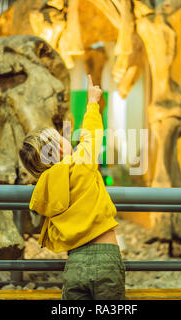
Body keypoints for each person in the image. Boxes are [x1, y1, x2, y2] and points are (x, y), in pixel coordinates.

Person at [19, 75, 125, 300]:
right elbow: (92, 134)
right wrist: (93, 103)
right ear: (58, 150)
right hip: (106, 257)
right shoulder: (81, 165)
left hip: (74, 262)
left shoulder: (44, 188)